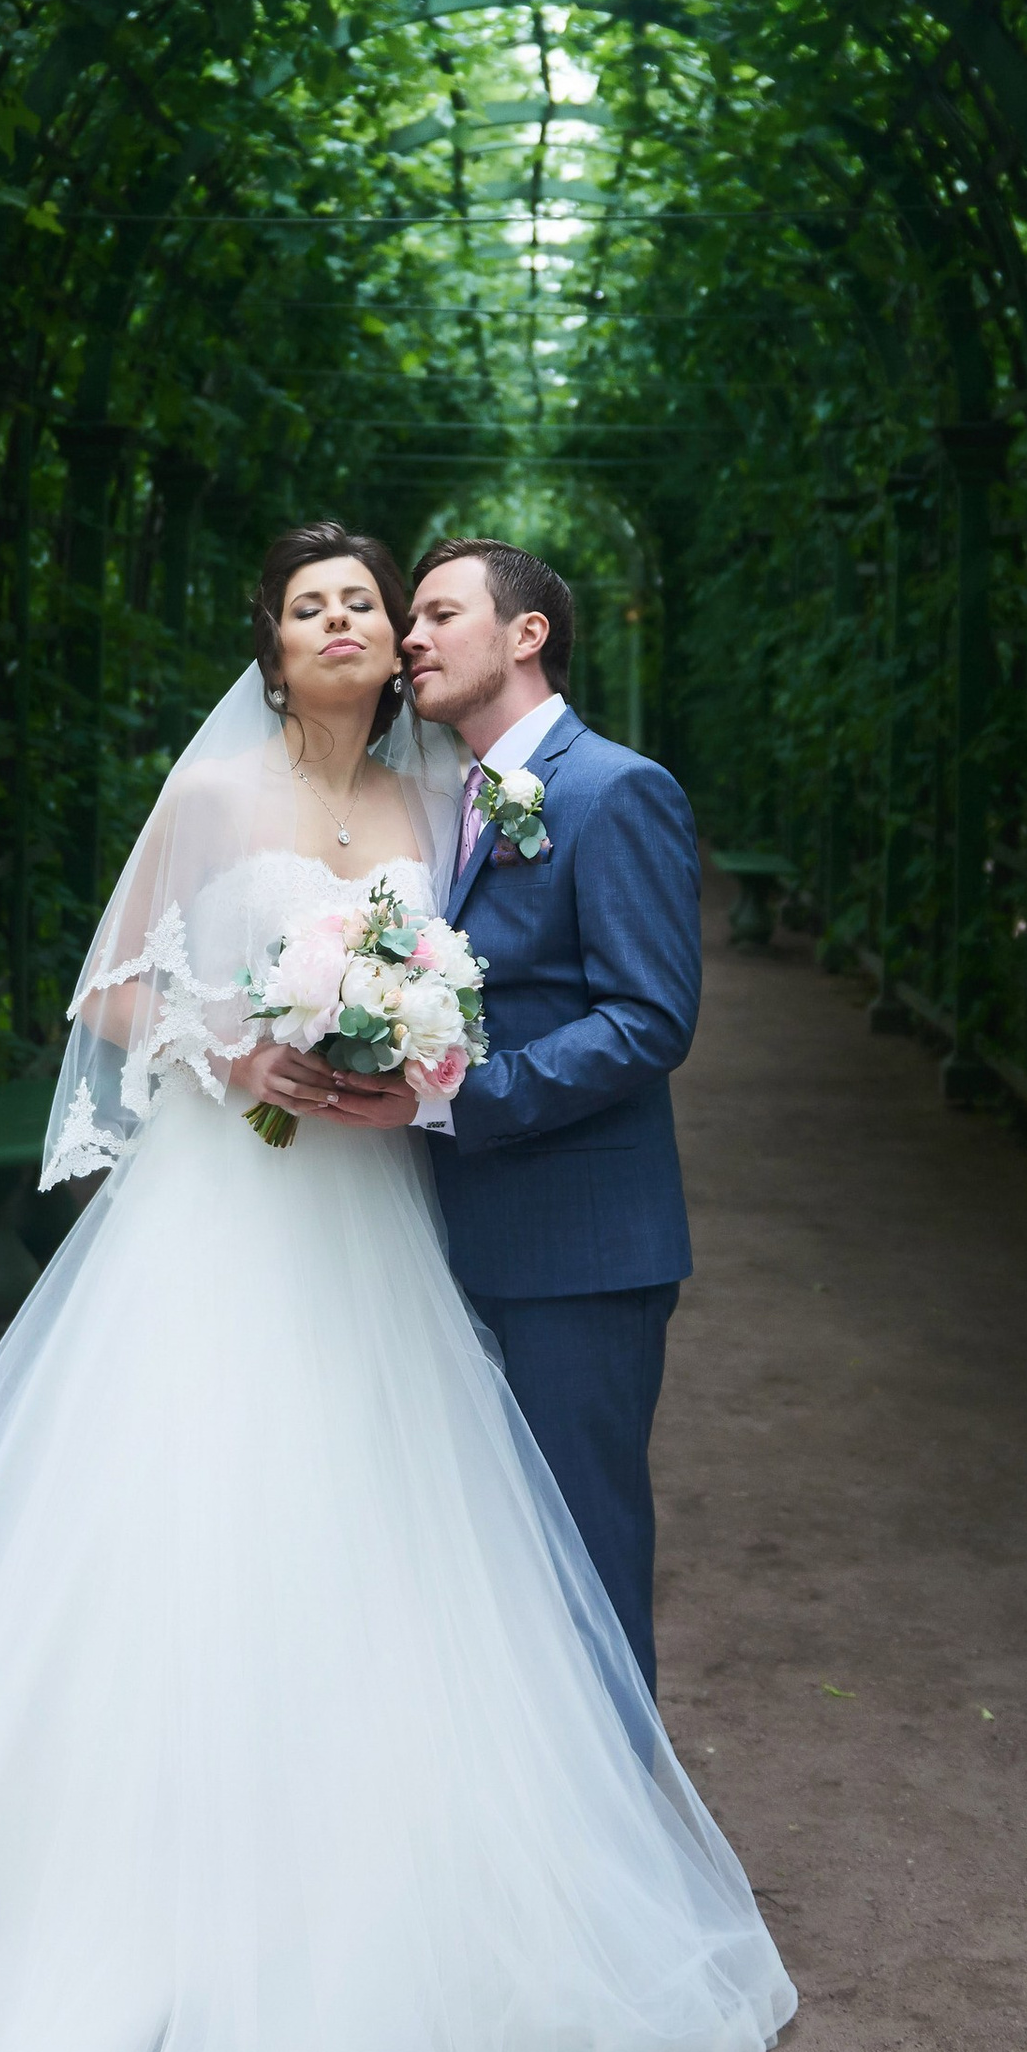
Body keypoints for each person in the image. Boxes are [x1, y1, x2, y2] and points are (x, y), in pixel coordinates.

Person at [0, 521, 791, 2052]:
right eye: (320, 605)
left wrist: (408, 1058)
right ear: (272, 641)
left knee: (420, 1550)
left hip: (390, 1212)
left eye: (387, 606)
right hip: (236, 1202)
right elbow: (117, 989)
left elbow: (508, 996)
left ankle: (490, 1881)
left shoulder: (448, 809)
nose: (361, 625)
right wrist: (238, 1044)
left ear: (446, 641)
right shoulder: (232, 795)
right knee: (193, 1525)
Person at [333, 539, 700, 1694]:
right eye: (412, 622)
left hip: (578, 1252)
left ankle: (623, 1861)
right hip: (454, 1237)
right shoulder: (453, 807)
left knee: (581, 1557)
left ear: (526, 634)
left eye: (440, 614)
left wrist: (444, 1096)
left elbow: (648, 1019)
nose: (411, 639)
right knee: (479, 1562)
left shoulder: (614, 788)